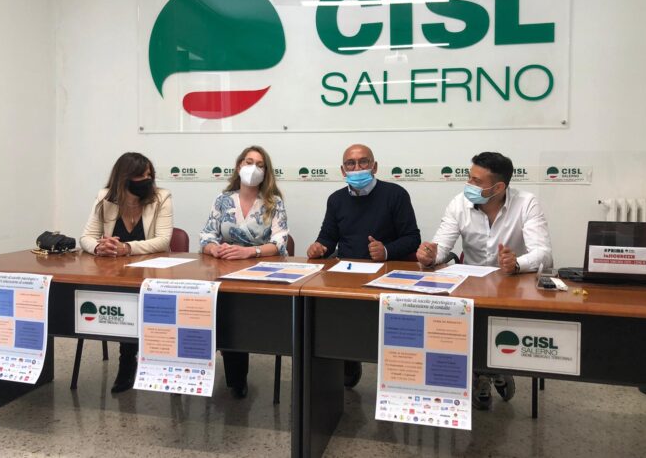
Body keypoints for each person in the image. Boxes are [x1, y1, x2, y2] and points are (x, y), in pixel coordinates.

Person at [416, 151, 553, 409]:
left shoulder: (527, 203)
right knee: (456, 320)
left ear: (498, 187)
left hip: (511, 284)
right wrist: (430, 256)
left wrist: (517, 263)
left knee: (498, 328)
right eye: (469, 177)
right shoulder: (458, 204)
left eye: (476, 181)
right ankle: (482, 372)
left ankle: (497, 368)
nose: (469, 184)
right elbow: (441, 248)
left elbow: (544, 253)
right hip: (470, 284)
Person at [307, 143, 421, 387]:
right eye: (351, 163)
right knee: (333, 316)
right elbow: (328, 237)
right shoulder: (336, 199)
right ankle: (348, 357)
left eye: (363, 162)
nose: (357, 168)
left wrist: (386, 250)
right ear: (343, 170)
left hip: (387, 275)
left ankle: (396, 368)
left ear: (375, 166)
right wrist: (318, 247)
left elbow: (413, 238)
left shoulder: (396, 194)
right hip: (347, 275)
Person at [200, 145, 289, 398]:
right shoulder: (223, 199)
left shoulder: (274, 202)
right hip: (224, 271)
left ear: (266, 172)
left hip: (259, 274)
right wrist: (214, 249)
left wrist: (250, 252)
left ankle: (238, 376)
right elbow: (206, 235)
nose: (253, 168)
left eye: (260, 165)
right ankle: (233, 376)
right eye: (249, 162)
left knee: (243, 318)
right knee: (224, 314)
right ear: (239, 165)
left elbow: (280, 242)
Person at [80, 152, 173, 393]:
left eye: (149, 175)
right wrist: (99, 247)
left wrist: (127, 248)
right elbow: (86, 237)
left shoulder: (161, 198)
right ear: (124, 178)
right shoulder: (105, 198)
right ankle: (128, 361)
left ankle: (131, 360)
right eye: (141, 175)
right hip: (115, 273)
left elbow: (163, 240)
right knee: (123, 301)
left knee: (135, 301)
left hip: (151, 272)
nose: (147, 180)